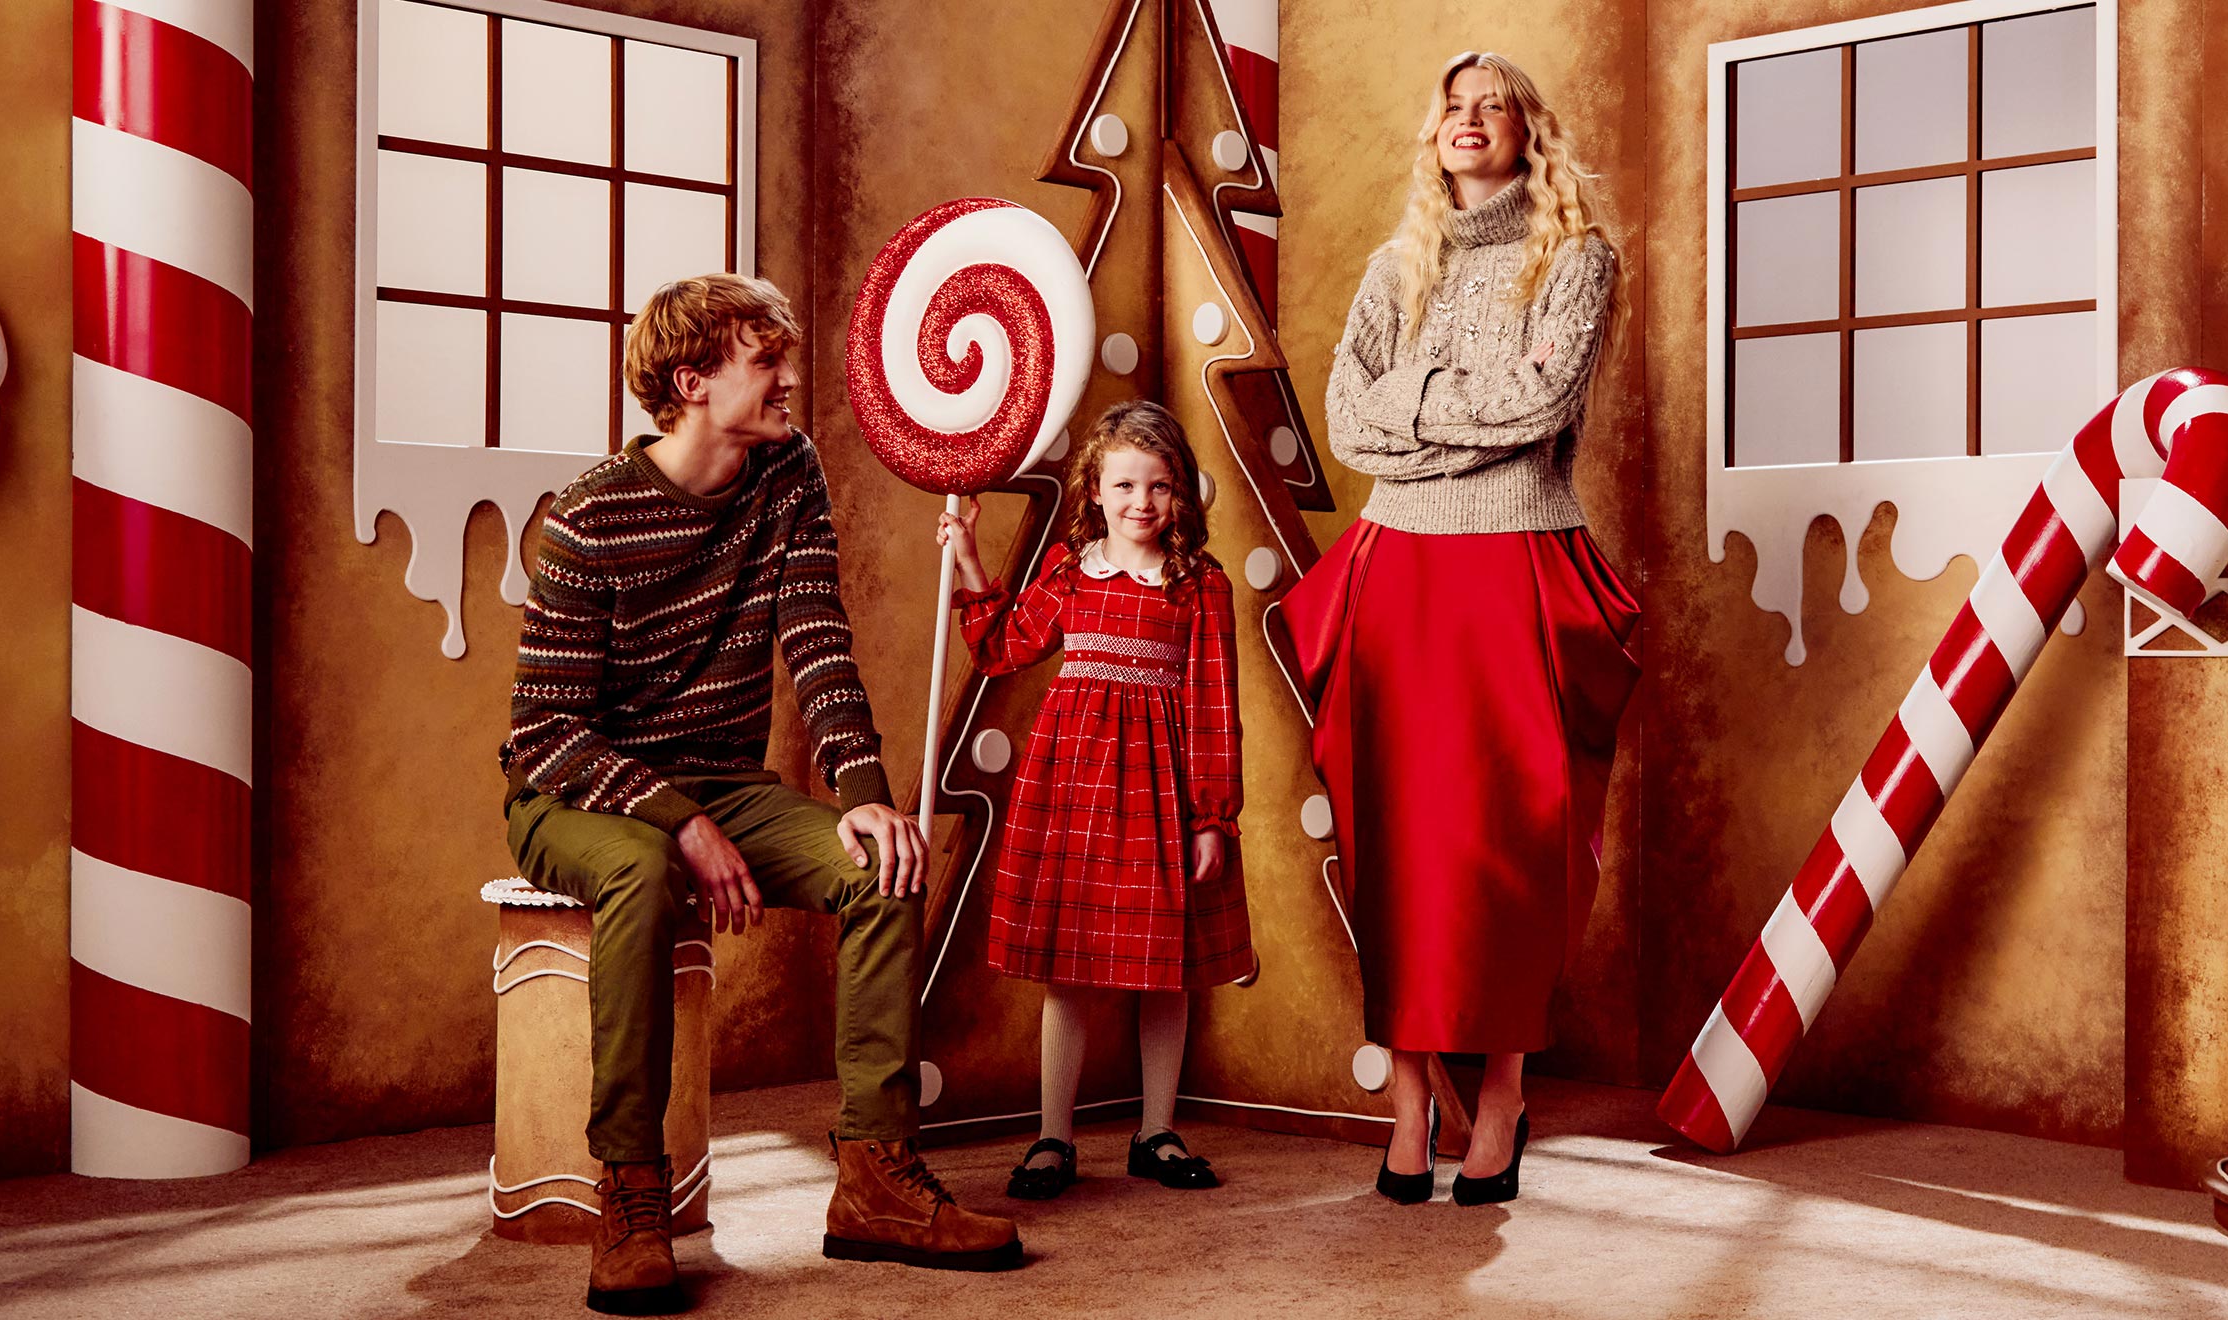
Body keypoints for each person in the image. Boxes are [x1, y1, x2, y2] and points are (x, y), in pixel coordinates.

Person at [502, 272, 1021, 1314]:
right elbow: (544, 732)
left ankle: (875, 1176)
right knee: (644, 876)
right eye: (765, 361)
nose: (790, 379)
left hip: (724, 784)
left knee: (884, 863)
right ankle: (632, 1194)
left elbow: (817, 637)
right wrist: (678, 820)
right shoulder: (585, 518)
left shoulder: (788, 472)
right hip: (581, 797)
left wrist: (868, 792)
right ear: (691, 381)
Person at [1286, 51, 1637, 1209]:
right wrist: (1457, 406)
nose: (1471, 120)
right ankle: (1404, 1109)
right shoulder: (1398, 265)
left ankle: (1500, 1100)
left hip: (1513, 563)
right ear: (1433, 133)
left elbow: (1542, 403)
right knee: (1398, 837)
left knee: (1505, 848)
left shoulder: (1577, 256)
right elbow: (1346, 420)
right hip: (1400, 573)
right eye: (1454, 106)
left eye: (1495, 106)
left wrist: (1418, 401)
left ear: (1529, 129)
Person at [932, 402, 1251, 1203]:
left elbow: (1215, 703)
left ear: (1181, 495)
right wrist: (968, 553)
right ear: (1097, 491)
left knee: (1165, 973)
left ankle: (1157, 1129)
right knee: (1068, 969)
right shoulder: (1073, 572)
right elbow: (1004, 648)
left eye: (1160, 486)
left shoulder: (1200, 584)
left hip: (1161, 795)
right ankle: (1054, 1136)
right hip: (1072, 788)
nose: (1142, 502)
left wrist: (1211, 815)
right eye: (1125, 485)